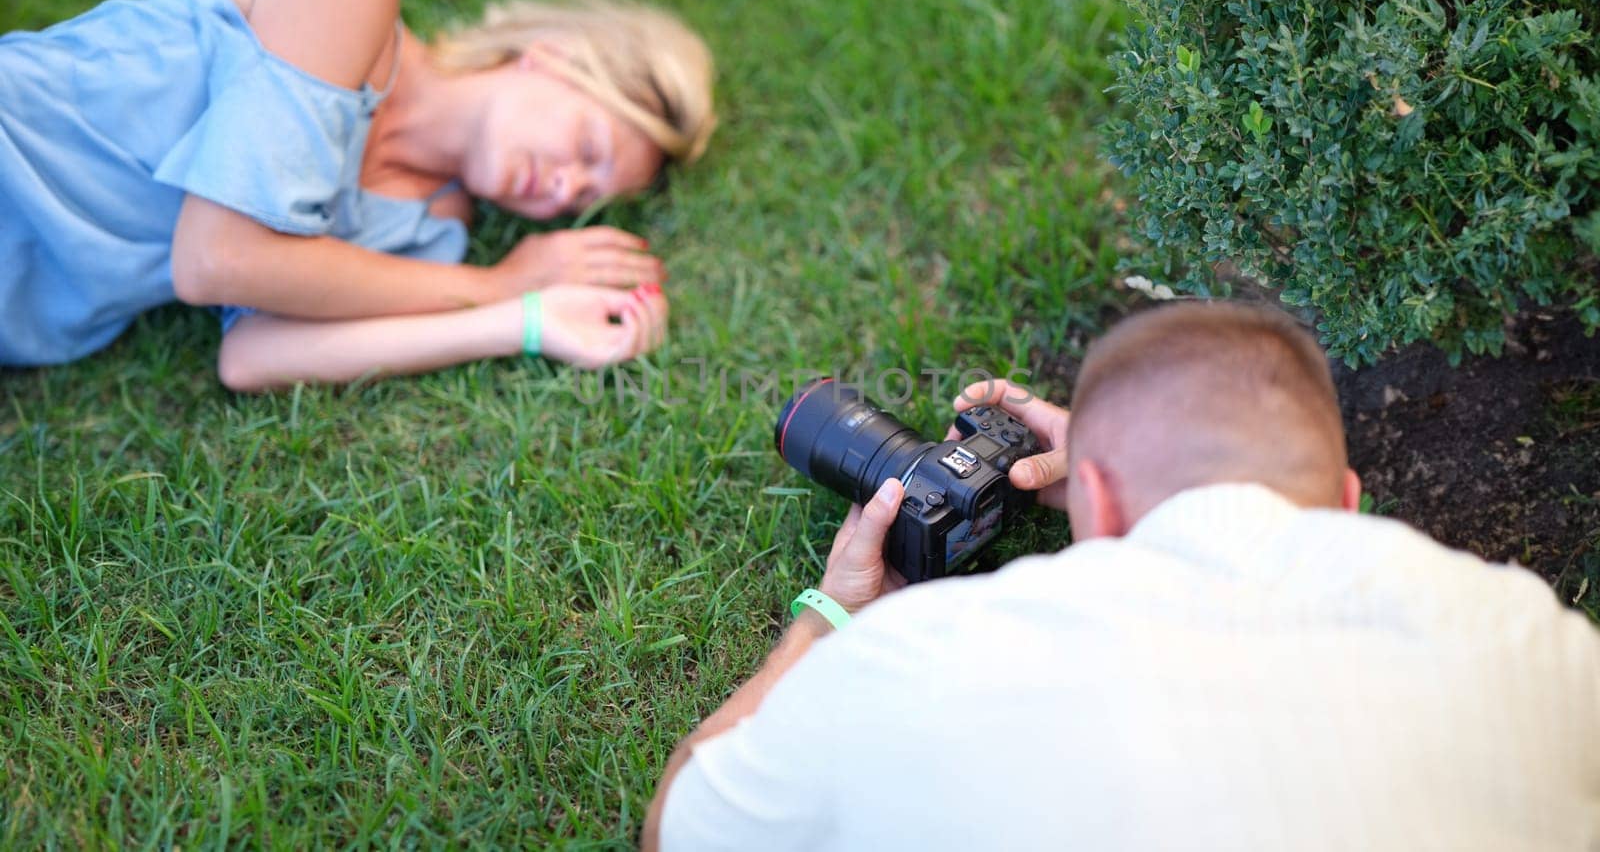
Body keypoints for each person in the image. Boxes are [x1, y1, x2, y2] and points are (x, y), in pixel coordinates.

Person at [644, 302, 1600, 851]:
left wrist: (826, 617)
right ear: (1349, 497)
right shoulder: (1534, 636)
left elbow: (678, 826)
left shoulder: (926, 654)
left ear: (1088, 495)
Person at [0, 0, 716, 389]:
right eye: (587, 148)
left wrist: (524, 315)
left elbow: (253, 355)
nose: (560, 186)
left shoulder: (432, 229)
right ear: (552, 59)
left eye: (578, 198)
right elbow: (214, 259)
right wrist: (496, 280)